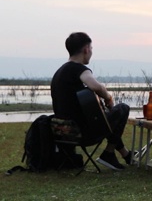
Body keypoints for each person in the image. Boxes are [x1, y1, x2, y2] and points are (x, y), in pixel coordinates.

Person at [50, 32, 132, 171]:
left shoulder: (59, 72)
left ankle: (125, 153)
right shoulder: (78, 69)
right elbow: (96, 86)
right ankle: (108, 154)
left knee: (106, 118)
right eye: (91, 49)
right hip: (81, 134)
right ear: (86, 49)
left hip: (62, 133)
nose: (91, 52)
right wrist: (108, 98)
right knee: (122, 108)